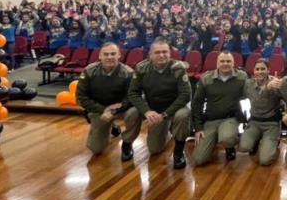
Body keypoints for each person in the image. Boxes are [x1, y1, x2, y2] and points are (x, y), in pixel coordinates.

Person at [125, 38, 192, 169]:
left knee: (182, 115)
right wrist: (147, 111)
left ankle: (178, 151)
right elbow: (133, 93)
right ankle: (128, 143)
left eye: (165, 52)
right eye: (157, 52)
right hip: (154, 110)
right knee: (154, 149)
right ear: (150, 55)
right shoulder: (142, 68)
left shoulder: (178, 68)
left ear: (169, 53)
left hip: (176, 108)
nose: (161, 55)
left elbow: (185, 95)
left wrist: (165, 115)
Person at [191, 50, 248, 166]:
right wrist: (198, 127)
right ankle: (213, 141)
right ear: (217, 63)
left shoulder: (242, 77)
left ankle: (229, 146)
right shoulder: (206, 78)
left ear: (233, 63)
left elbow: (252, 93)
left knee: (227, 139)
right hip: (211, 120)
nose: (225, 64)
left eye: (228, 61)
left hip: (230, 118)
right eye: (222, 61)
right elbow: (197, 103)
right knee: (198, 160)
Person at [75, 42, 133, 155]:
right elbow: (81, 97)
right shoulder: (89, 71)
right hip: (100, 109)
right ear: (99, 56)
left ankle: (128, 142)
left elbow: (132, 98)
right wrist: (103, 109)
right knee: (95, 148)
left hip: (121, 108)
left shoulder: (128, 73)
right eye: (106, 54)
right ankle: (112, 127)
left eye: (113, 54)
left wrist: (114, 110)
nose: (109, 57)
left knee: (134, 113)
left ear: (119, 55)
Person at [238, 59, 282, 166]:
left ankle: (274, 140)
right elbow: (241, 97)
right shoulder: (248, 84)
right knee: (244, 147)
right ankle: (257, 140)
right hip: (255, 122)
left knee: (265, 161)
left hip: (271, 123)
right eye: (257, 69)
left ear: (268, 70)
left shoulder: (275, 83)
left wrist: (274, 87)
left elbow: (285, 99)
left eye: (263, 69)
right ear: (253, 71)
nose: (260, 71)